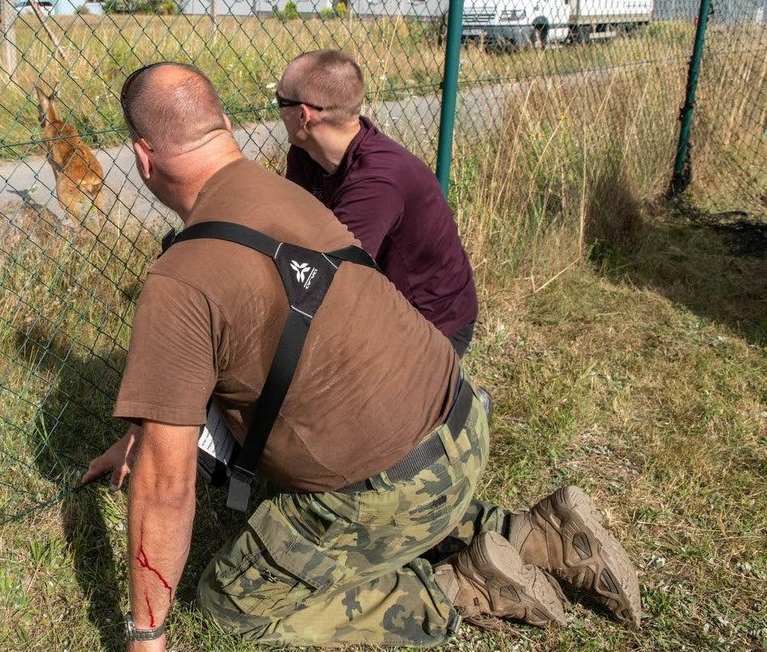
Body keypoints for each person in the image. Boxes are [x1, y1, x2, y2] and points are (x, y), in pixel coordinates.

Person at [83, 62, 641, 650]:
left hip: (390, 485)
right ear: (225, 125)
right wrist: (146, 432)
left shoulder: (180, 280)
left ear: (144, 157)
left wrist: (146, 636)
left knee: (230, 600)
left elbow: (166, 490)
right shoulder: (293, 194)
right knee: (392, 495)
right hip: (462, 425)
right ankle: (533, 534)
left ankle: (454, 588)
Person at [278, 49, 479, 357]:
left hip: (432, 324)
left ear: (303, 115)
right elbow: (291, 233)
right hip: (377, 300)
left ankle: (463, 404)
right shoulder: (306, 154)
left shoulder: (378, 182)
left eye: (280, 102)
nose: (277, 112)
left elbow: (327, 277)